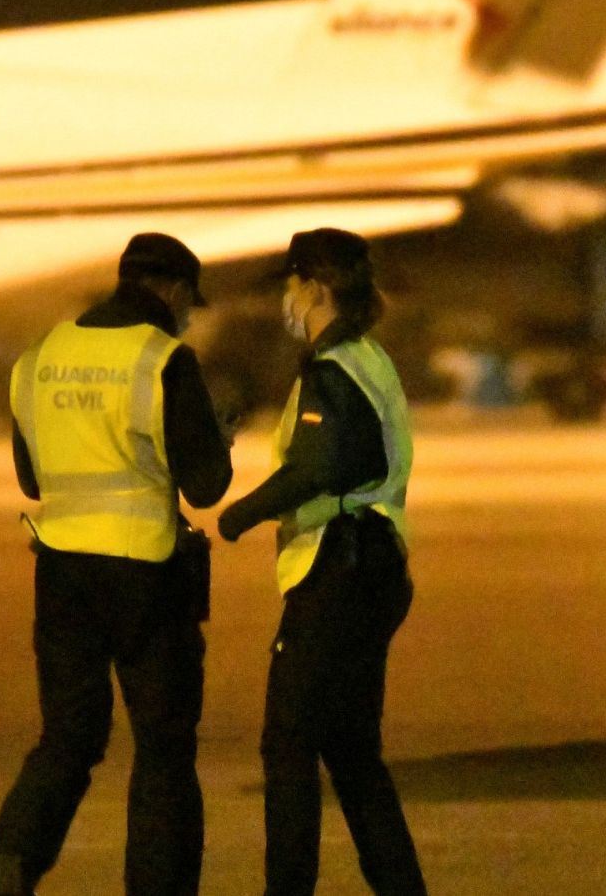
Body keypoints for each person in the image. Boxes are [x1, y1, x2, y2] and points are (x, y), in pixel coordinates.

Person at [0, 232, 234, 896]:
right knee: (162, 748)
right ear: (174, 291)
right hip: (145, 574)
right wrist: (214, 434)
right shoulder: (163, 359)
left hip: (62, 573)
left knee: (68, 736)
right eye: (190, 303)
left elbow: (32, 479)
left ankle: (14, 855)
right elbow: (206, 487)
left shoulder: (41, 356)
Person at [216, 228, 426, 896]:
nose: (283, 295)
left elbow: (322, 464)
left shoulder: (331, 370)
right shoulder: (370, 359)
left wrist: (241, 513)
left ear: (316, 287)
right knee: (354, 754)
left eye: (289, 282)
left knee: (288, 746)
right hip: (375, 565)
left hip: (337, 570)